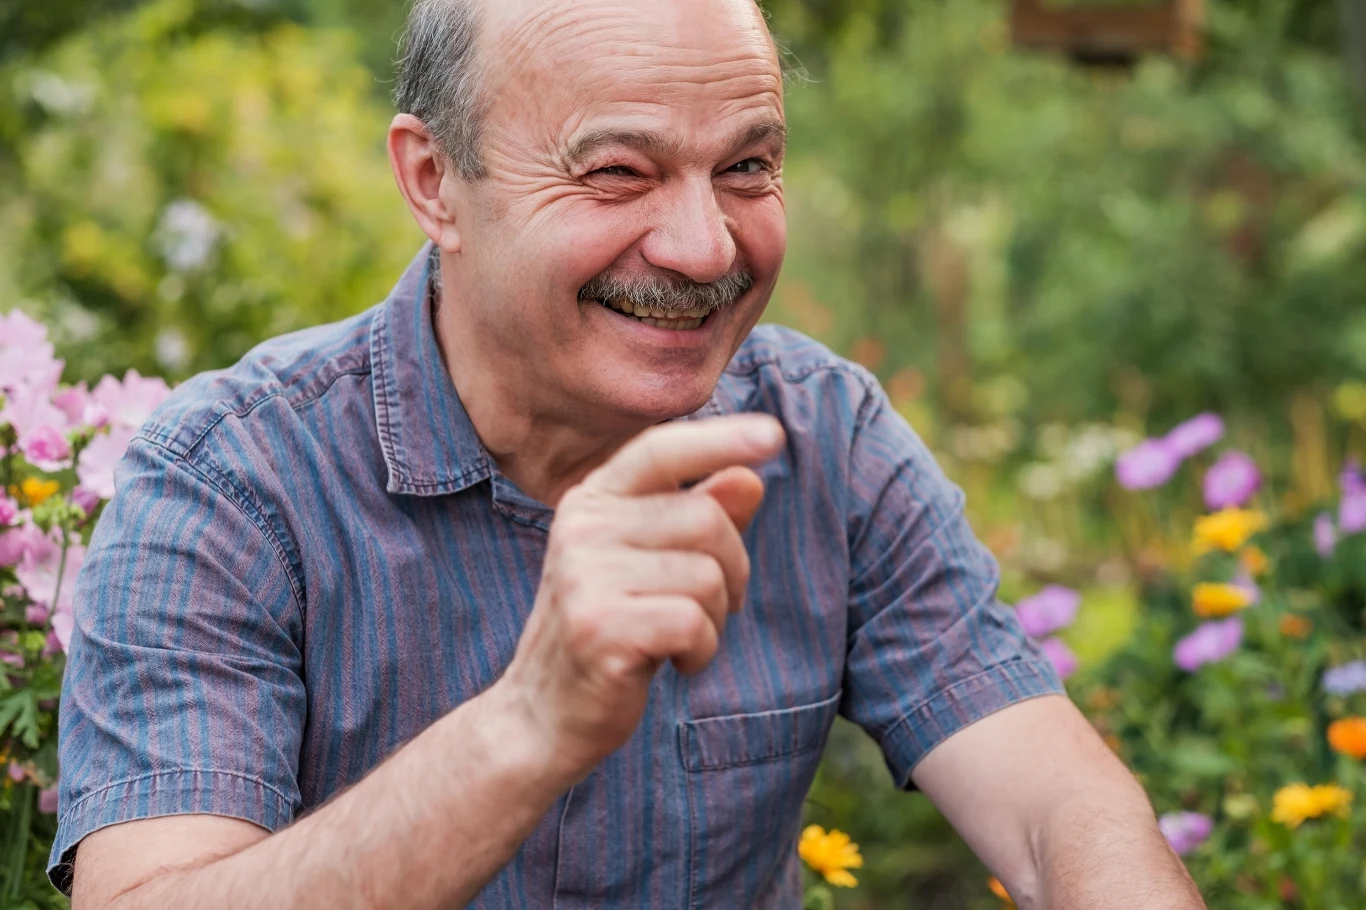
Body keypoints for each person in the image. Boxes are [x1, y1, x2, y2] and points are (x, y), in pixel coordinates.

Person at [52, 0, 1207, 907]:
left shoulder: (825, 439)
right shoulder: (230, 479)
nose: (704, 247)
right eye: (617, 172)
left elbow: (1061, 811)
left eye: (747, 166)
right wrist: (525, 726)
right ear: (434, 181)